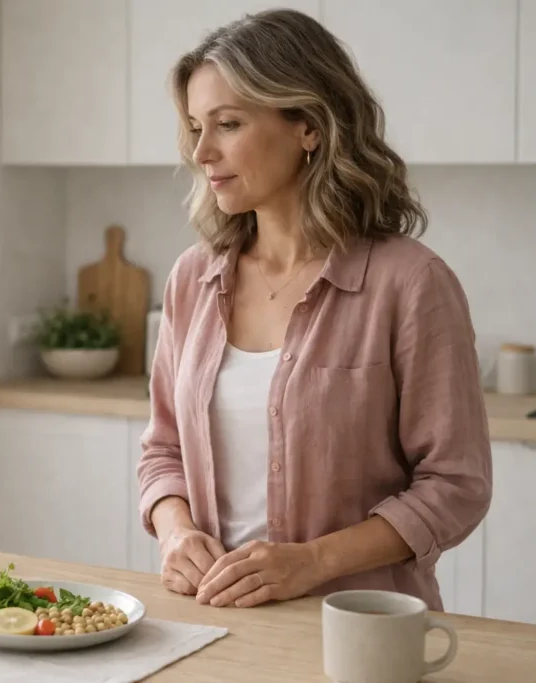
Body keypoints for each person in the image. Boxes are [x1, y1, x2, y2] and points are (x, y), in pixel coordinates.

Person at [136, 8, 493, 612]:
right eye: (196, 126)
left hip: (364, 630)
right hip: (218, 622)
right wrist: (174, 532)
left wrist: (312, 563)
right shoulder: (192, 278)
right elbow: (163, 450)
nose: (202, 151)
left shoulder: (409, 283)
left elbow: (455, 485)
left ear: (309, 126)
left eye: (227, 123)